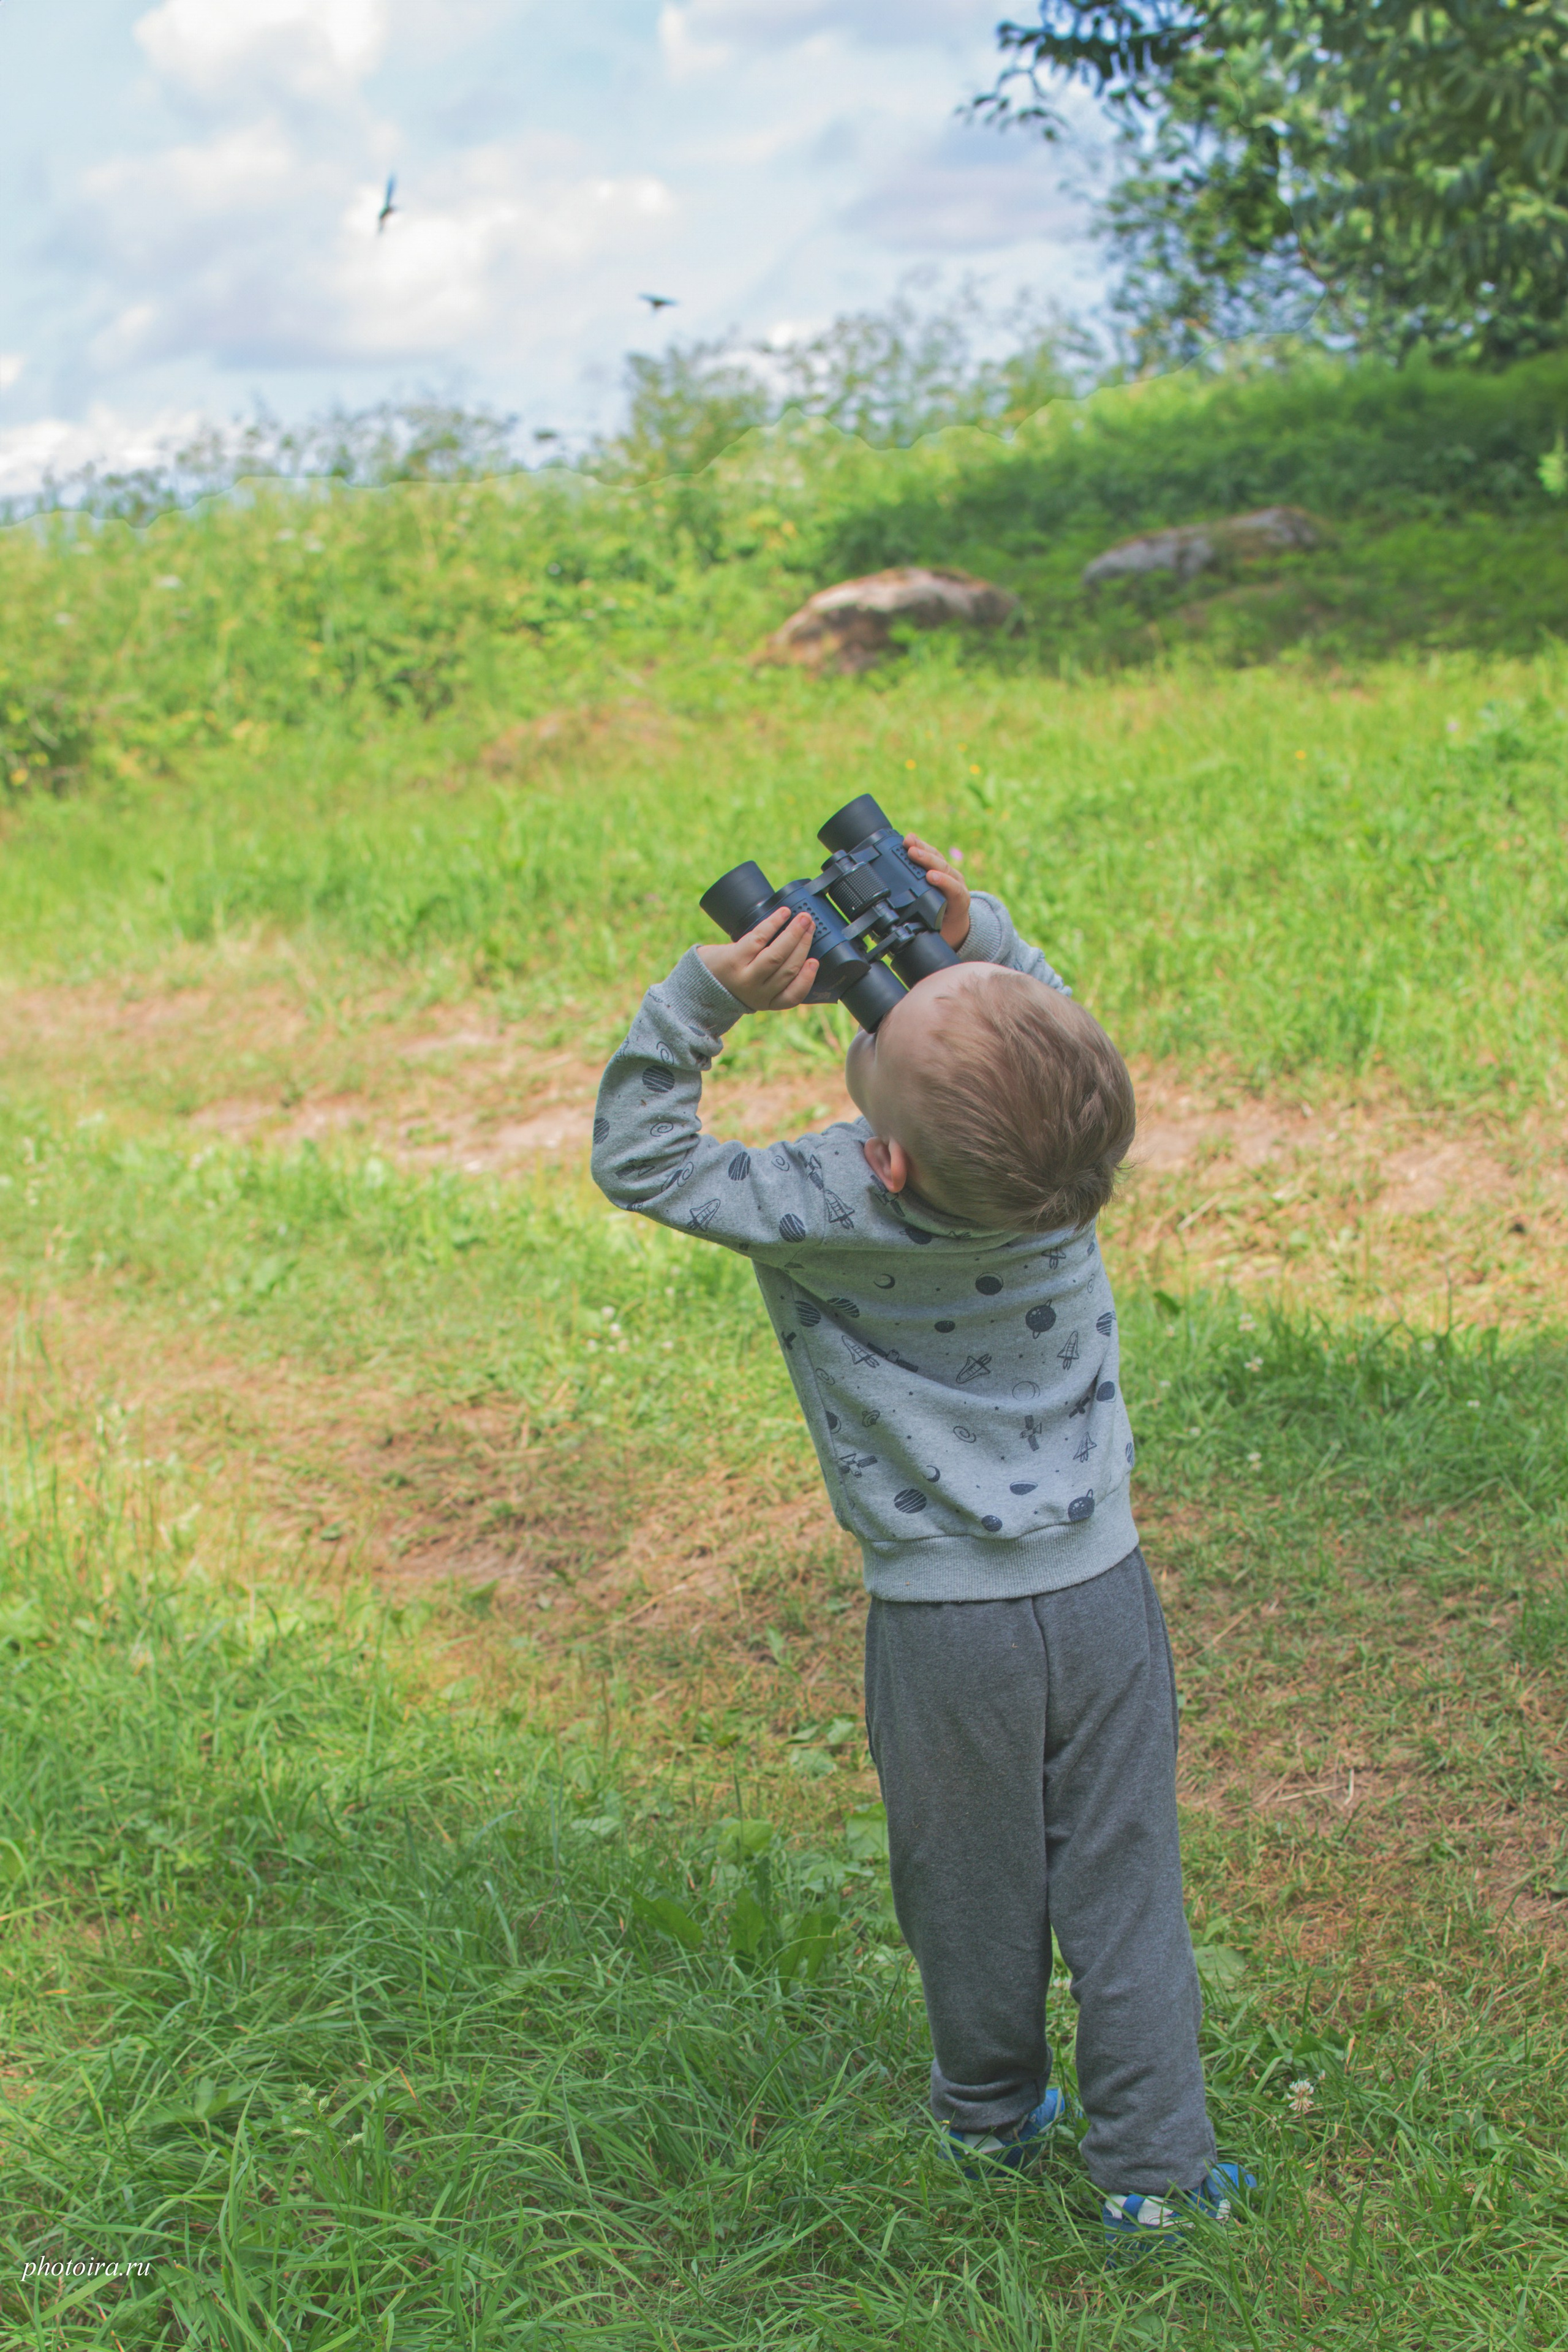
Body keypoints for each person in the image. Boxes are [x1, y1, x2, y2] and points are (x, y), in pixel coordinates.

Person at [590, 839, 1250, 2246]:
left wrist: (699, 1004)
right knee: (1122, 1881)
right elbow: (1052, 1050)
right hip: (1099, 1597)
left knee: (965, 1880)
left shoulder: (835, 1201)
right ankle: (1156, 2171)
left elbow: (640, 1162)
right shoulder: (1070, 1176)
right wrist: (978, 935)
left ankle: (991, 2116)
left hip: (944, 1630)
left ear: (882, 1153)